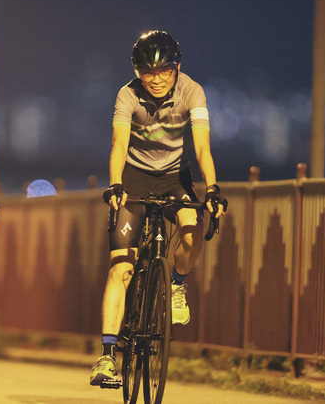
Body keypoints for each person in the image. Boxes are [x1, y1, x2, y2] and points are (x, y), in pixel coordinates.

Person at [90, 31, 227, 385]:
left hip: (175, 179)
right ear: (138, 72)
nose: (157, 79)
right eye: (148, 72)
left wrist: (212, 188)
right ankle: (106, 357)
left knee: (193, 230)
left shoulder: (193, 92)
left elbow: (202, 147)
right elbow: (119, 144)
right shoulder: (127, 95)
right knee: (121, 267)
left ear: (177, 68)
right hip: (134, 179)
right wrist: (116, 184)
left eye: (165, 71)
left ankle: (177, 283)